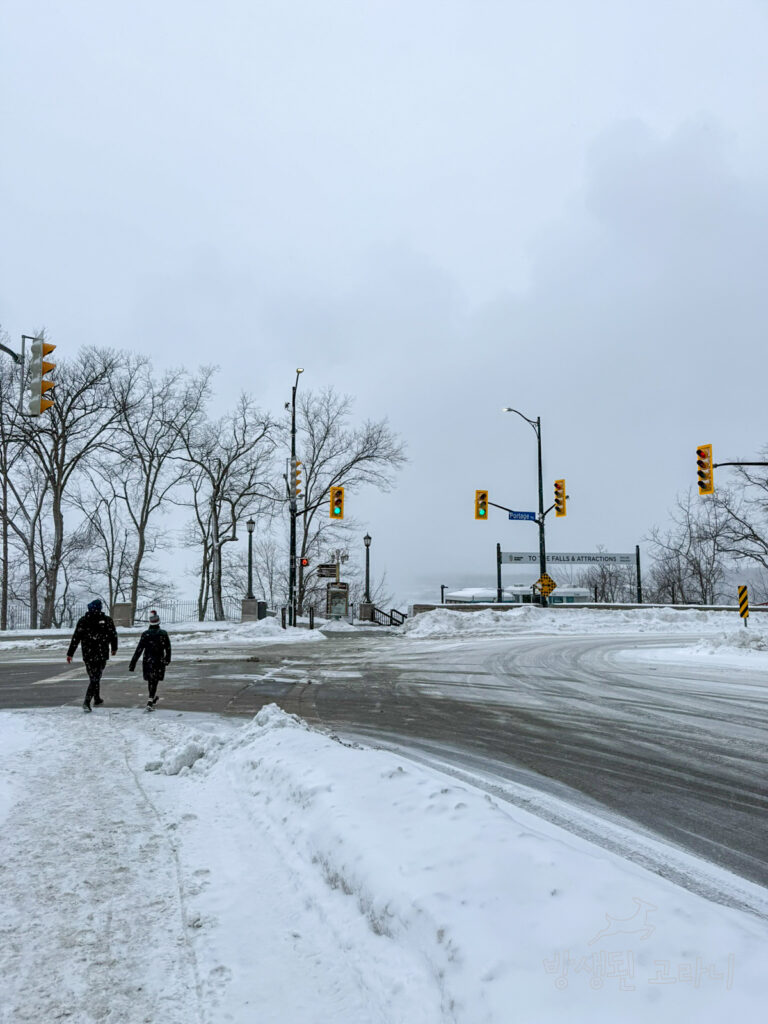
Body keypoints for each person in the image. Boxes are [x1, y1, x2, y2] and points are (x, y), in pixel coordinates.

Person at [67, 599, 119, 712]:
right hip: (101, 653)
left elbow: (76, 637)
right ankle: (87, 701)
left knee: (93, 676)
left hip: (88, 653)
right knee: (96, 676)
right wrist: (114, 648)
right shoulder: (106, 620)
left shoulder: (83, 621)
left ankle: (97, 698)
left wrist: (70, 653)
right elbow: (113, 635)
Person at [129, 610, 171, 710]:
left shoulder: (146, 634)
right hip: (159, 660)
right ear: (159, 622)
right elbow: (168, 648)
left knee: (151, 680)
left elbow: (139, 649)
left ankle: (151, 698)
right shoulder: (163, 634)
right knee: (155, 680)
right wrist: (167, 659)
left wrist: (133, 663)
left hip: (148, 660)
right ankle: (150, 699)